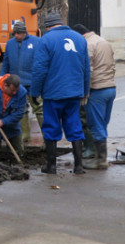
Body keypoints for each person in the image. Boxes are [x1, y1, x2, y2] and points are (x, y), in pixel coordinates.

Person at [30, 12, 90, 175]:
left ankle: (51, 166)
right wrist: (85, 90)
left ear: (48, 26)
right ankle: (78, 166)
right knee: (74, 127)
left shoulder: (46, 40)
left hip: (53, 94)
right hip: (74, 94)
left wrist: (35, 91)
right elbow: (86, 68)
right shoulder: (80, 39)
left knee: (51, 128)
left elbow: (39, 69)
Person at [72, 24, 116, 169]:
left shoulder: (88, 44)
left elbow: (88, 70)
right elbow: (113, 66)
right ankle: (100, 157)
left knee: (96, 126)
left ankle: (101, 161)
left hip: (97, 90)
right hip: (110, 88)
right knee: (102, 124)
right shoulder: (103, 42)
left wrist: (85, 91)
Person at [0, 20, 43, 144]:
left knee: (39, 109)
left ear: (24, 32)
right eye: (15, 33)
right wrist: (2, 78)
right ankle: (24, 135)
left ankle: (47, 136)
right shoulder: (10, 44)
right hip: (17, 84)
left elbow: (40, 63)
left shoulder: (36, 42)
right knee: (21, 109)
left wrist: (39, 81)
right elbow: (6, 63)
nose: (16, 36)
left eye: (19, 33)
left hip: (32, 83)